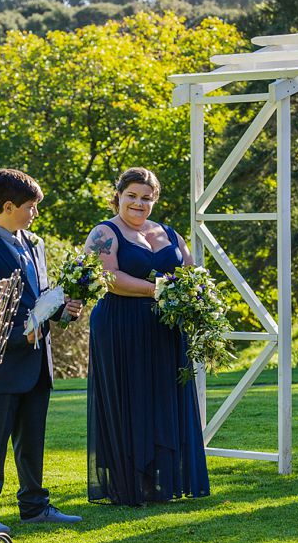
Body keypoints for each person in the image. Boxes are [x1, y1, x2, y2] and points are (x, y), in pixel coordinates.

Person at [0, 169, 84, 532]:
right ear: (9, 206)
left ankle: (34, 506)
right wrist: (19, 335)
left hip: (38, 361)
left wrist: (62, 309)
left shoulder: (35, 243)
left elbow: (39, 295)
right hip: (1, 364)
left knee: (32, 440)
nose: (36, 214)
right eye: (31, 207)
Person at [83, 167, 210, 506]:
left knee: (162, 399)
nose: (139, 203)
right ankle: (130, 482)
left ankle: (161, 478)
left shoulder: (169, 233)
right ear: (119, 196)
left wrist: (194, 294)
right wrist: (161, 290)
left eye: (146, 198)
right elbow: (109, 278)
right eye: (132, 196)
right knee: (131, 399)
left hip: (165, 328)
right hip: (120, 327)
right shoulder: (105, 233)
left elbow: (191, 272)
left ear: (155, 200)